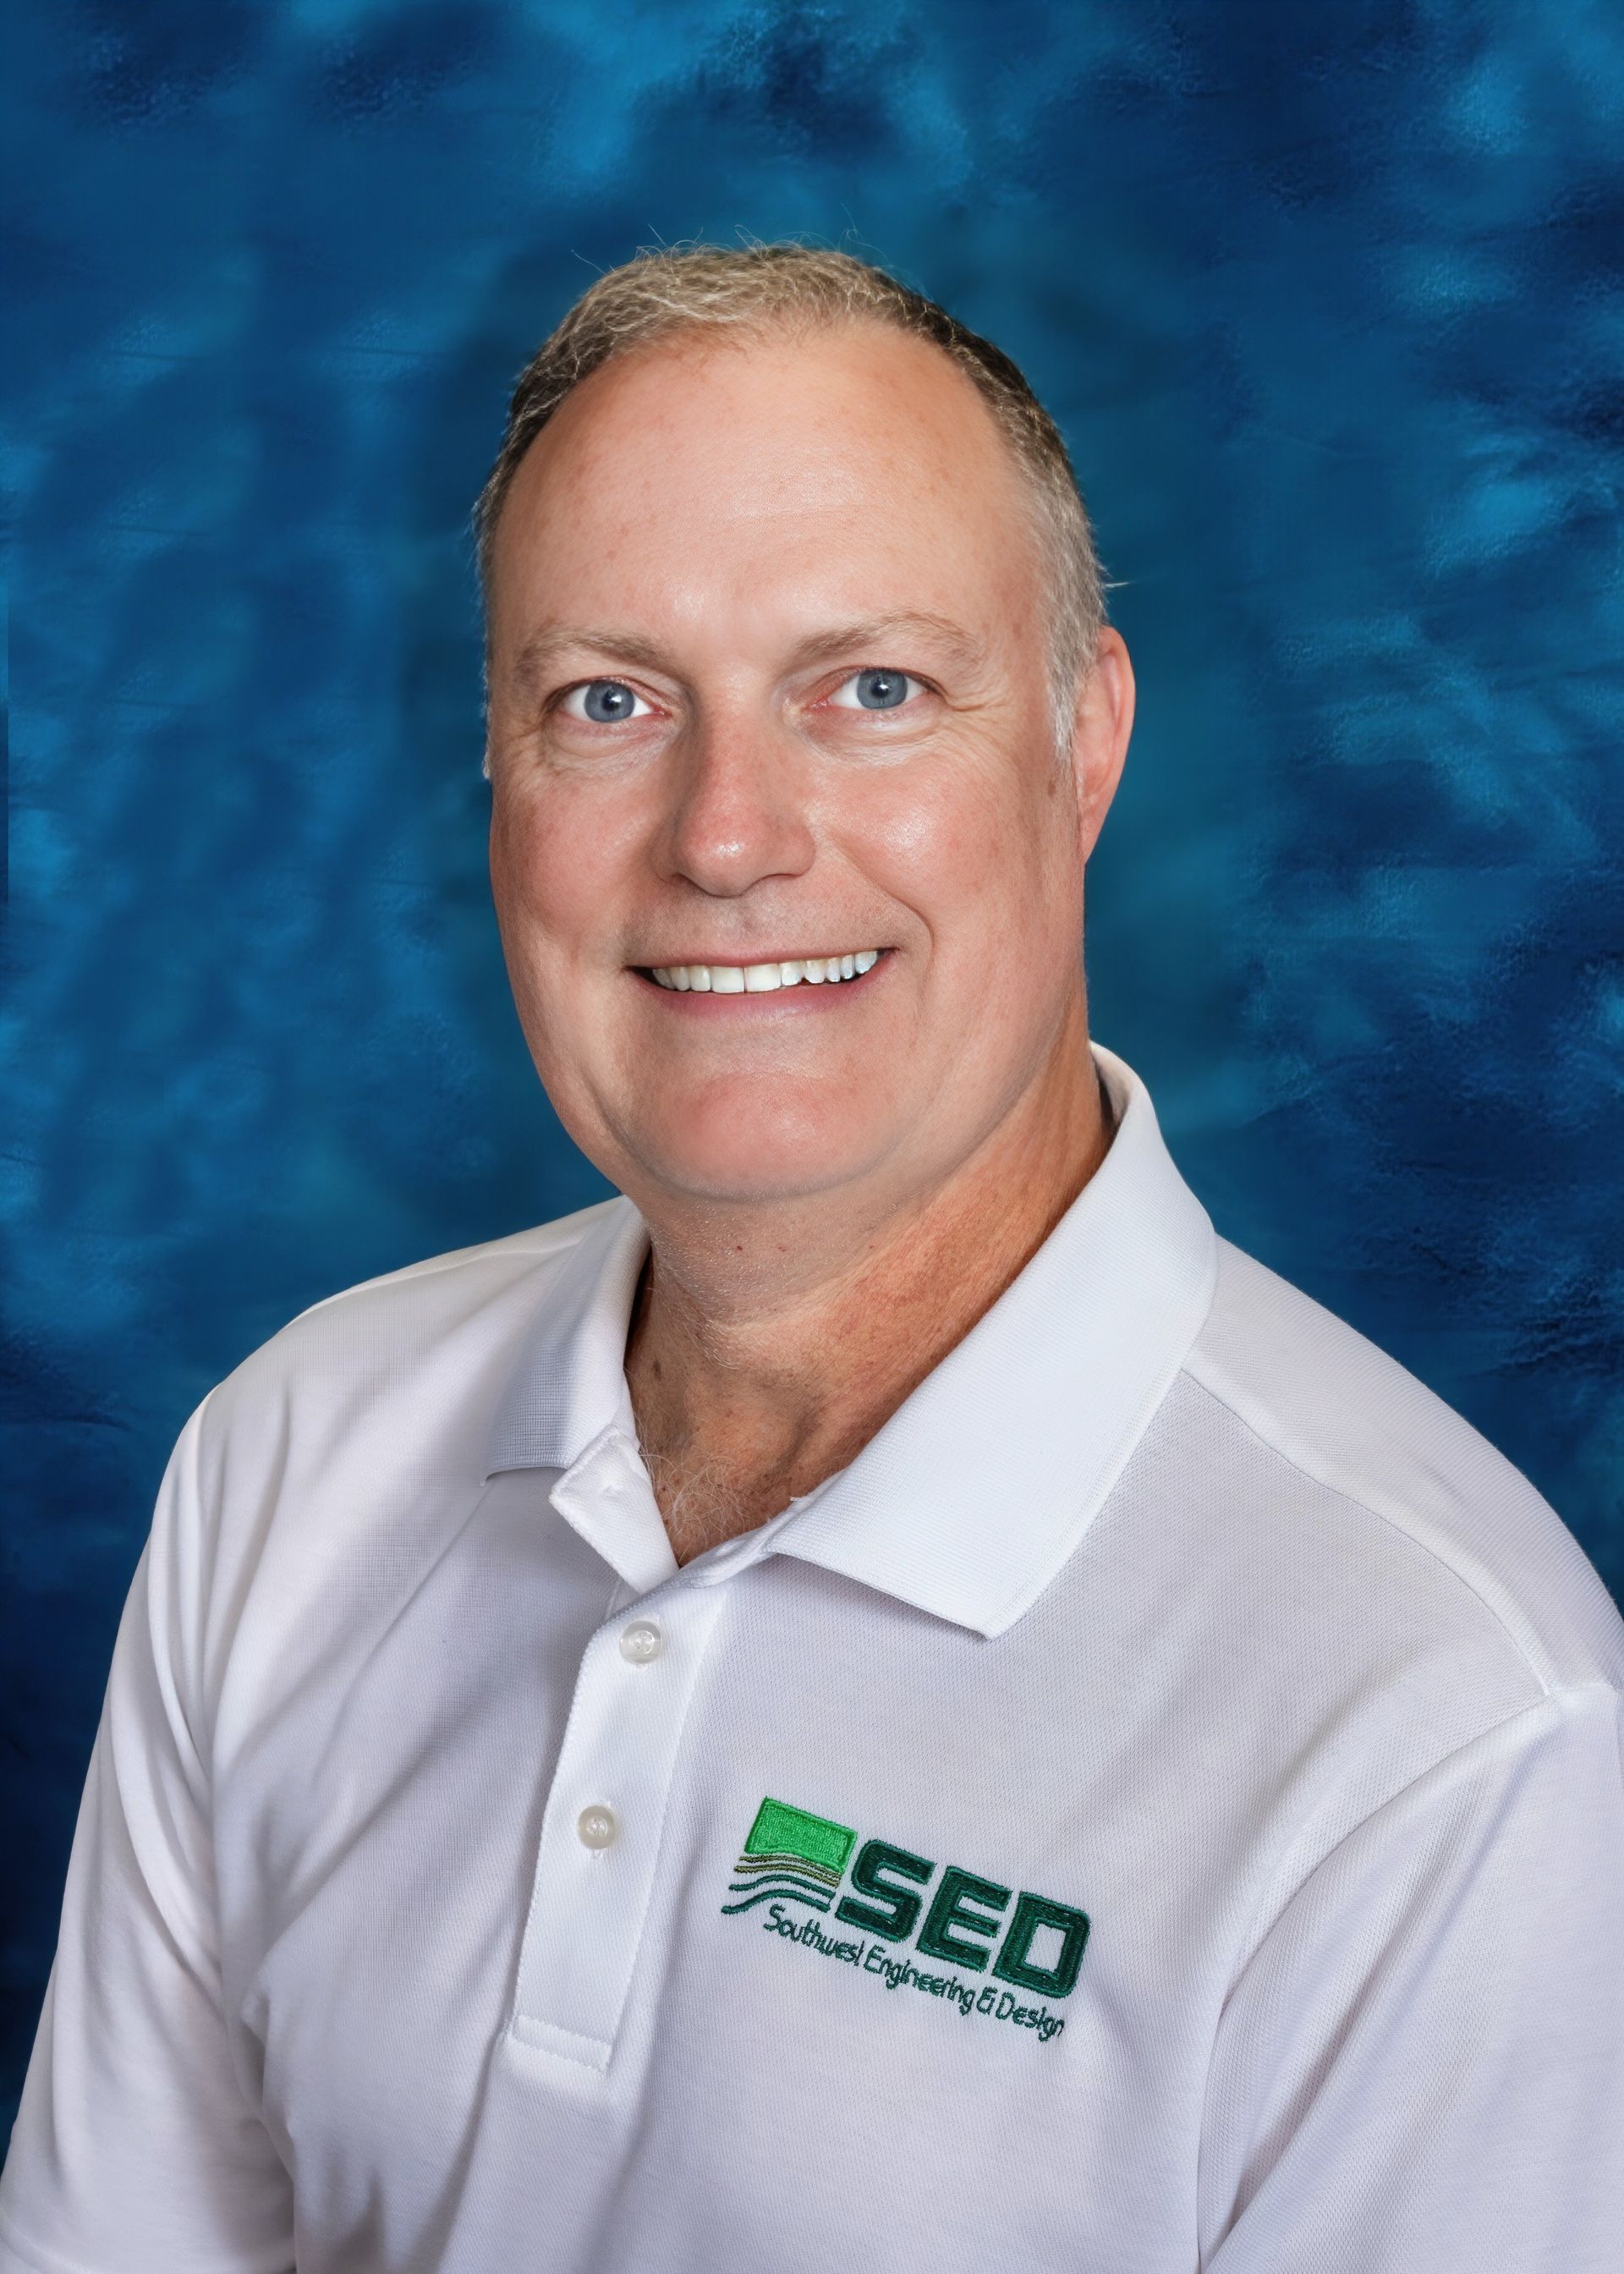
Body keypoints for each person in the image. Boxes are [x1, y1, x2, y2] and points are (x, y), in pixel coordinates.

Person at [3, 240, 1621, 2274]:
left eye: (871, 690)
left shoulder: (1442, 1723)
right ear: (498, 772)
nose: (729, 834)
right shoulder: (292, 1462)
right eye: (609, 701)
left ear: (1084, 741)